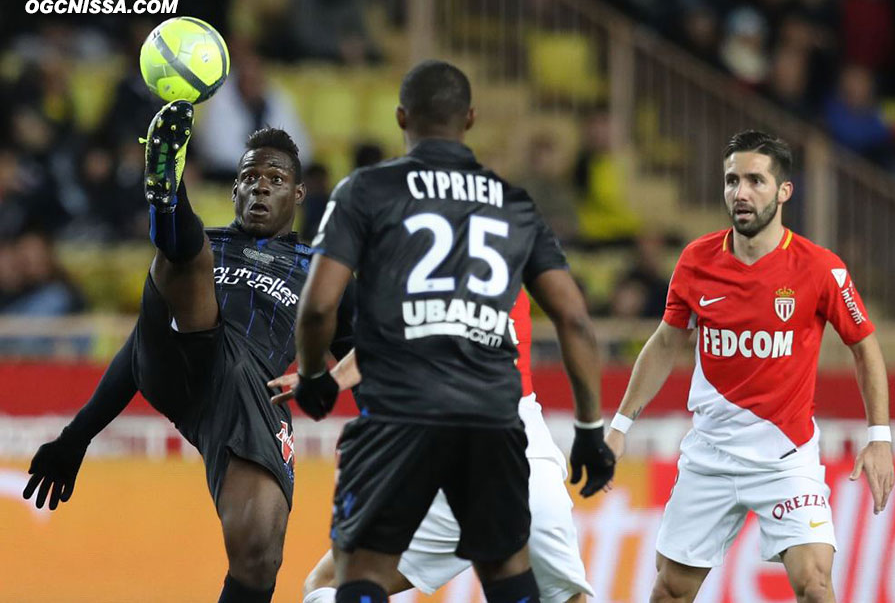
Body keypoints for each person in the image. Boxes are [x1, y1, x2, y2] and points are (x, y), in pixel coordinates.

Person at [280, 60, 615, 603]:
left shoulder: (369, 192)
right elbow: (574, 320)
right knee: (549, 591)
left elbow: (322, 309)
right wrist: (591, 430)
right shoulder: (511, 209)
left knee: (338, 582)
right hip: (503, 428)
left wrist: (316, 375)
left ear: (401, 118)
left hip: (405, 419)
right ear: (472, 119)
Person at [21, 101, 336, 603]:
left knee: (259, 558)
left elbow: (367, 350)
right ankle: (166, 197)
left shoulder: (320, 271)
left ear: (297, 193)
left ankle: (169, 202)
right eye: (249, 176)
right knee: (185, 257)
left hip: (247, 392)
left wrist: (323, 377)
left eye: (274, 178)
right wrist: (75, 437)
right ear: (233, 189)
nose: (259, 185)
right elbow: (138, 348)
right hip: (180, 353)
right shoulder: (207, 243)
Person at [604, 130, 895, 603]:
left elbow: (865, 346)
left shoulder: (821, 268)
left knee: (816, 585)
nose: (740, 193)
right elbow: (664, 343)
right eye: (732, 180)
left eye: (756, 181)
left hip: (785, 458)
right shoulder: (696, 261)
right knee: (670, 591)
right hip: (710, 457)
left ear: (784, 192)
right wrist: (619, 426)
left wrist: (879, 438)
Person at [270, 290, 595, 603]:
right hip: (511, 448)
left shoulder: (424, 257)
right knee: (563, 596)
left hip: (453, 443)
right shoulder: (509, 247)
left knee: (329, 583)